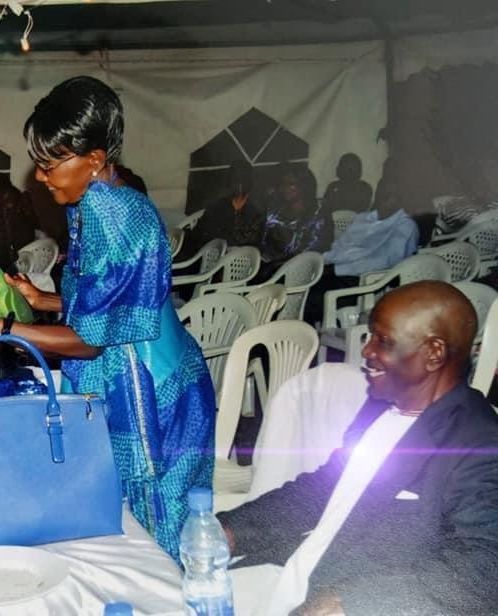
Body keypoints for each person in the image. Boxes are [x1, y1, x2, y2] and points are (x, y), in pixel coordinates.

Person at [0, 76, 216, 560]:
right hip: (157, 374)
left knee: (158, 534)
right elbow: (118, 302)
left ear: (93, 160)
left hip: (150, 393)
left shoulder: (108, 213)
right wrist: (43, 299)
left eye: (51, 164)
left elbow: (91, 342)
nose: (40, 176)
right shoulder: (98, 197)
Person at [218, 281, 498, 615]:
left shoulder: (478, 443)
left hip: (357, 597)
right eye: (369, 337)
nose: (366, 352)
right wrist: (231, 530)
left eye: (383, 340)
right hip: (293, 571)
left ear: (434, 352)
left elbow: (484, 567)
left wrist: (353, 602)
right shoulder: (380, 404)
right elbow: (324, 488)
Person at [260, 164, 332, 266]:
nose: (284, 188)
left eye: (291, 184)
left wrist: (277, 264)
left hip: (302, 270)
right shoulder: (275, 212)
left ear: (304, 185)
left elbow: (312, 252)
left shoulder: (318, 215)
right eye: (282, 183)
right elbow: (263, 242)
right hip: (271, 266)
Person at [193, 158, 266, 250]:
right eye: (233, 180)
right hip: (208, 251)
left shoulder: (257, 211)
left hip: (239, 258)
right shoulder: (218, 206)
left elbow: (244, 240)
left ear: (248, 183)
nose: (236, 185)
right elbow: (201, 230)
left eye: (240, 181)